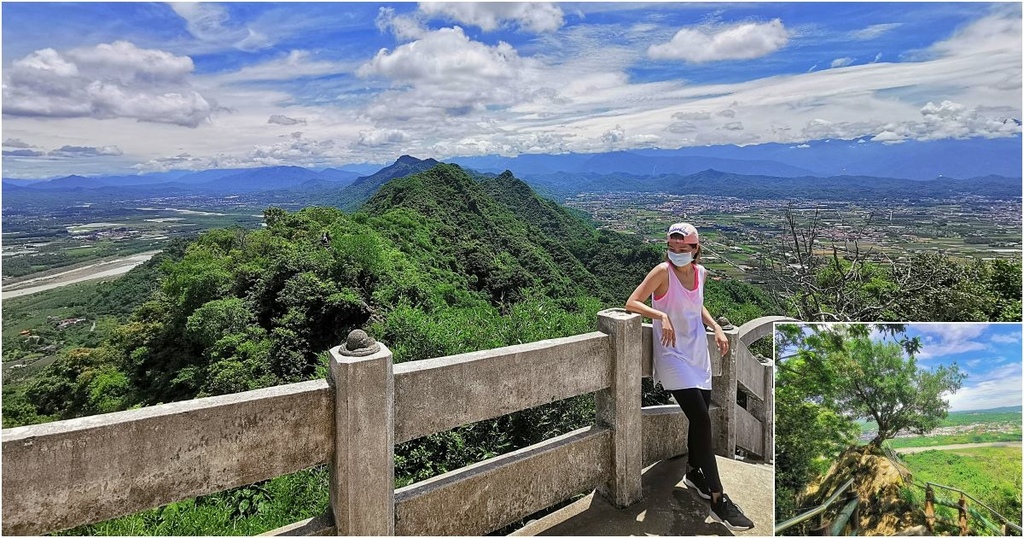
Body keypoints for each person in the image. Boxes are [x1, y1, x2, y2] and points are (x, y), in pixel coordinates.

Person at [625, 222, 754, 531]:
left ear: (696, 248)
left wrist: (717, 327)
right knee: (702, 419)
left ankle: (694, 473)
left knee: (700, 418)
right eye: (672, 248)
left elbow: (696, 305)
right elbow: (632, 302)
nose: (677, 254)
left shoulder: (700, 273)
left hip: (698, 355)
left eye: (683, 249)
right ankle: (718, 497)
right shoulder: (661, 272)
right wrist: (661, 315)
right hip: (671, 356)